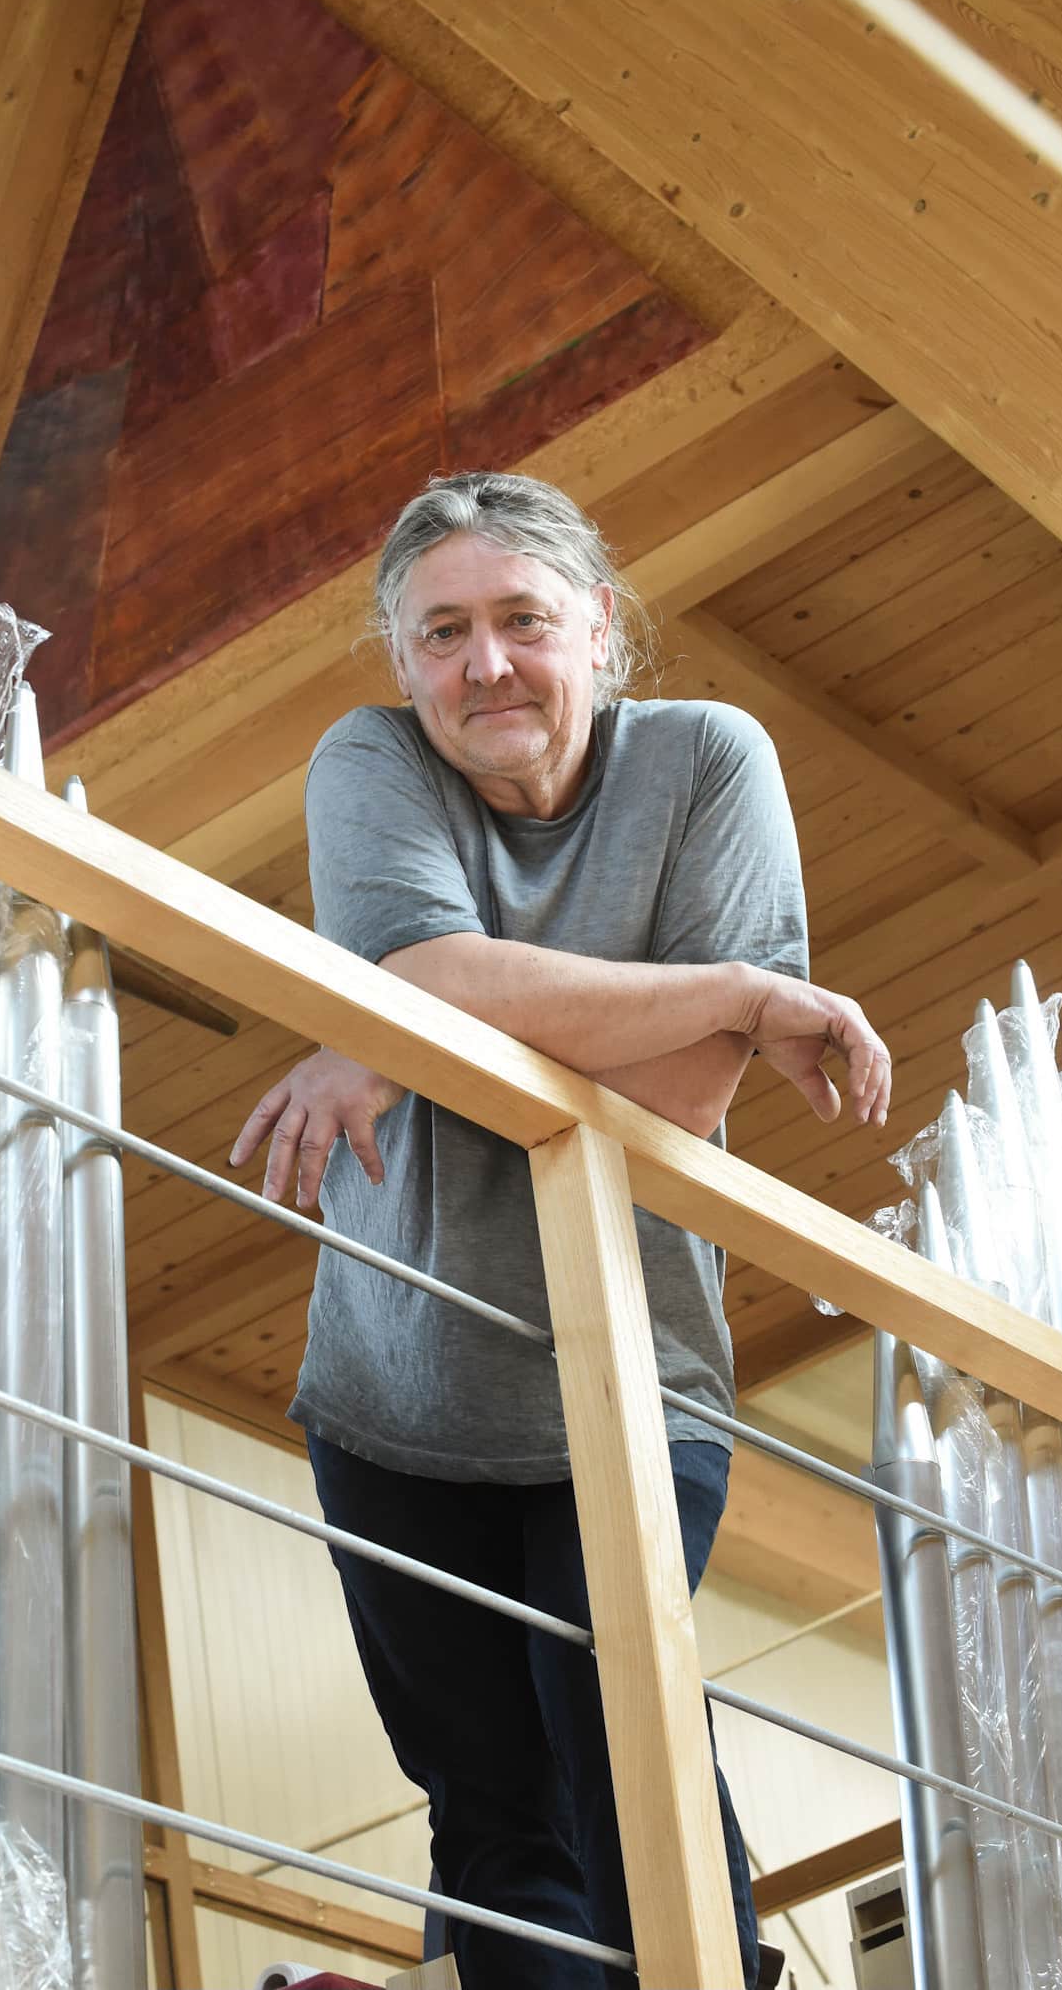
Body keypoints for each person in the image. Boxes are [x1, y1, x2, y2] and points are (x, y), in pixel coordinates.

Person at [230, 472, 891, 1990]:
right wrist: (737, 989)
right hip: (395, 1400)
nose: (487, 667)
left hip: (637, 1379)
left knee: (627, 1757)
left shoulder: (708, 760)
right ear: (404, 660)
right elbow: (433, 978)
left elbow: (673, 1096)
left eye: (523, 620)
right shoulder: (369, 760)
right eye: (442, 633)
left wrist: (407, 1029)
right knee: (490, 1822)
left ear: (599, 623)